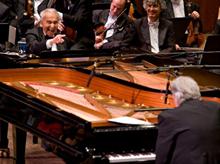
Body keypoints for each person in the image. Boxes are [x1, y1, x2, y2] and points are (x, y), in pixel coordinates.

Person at [155, 76, 220, 164]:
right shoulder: (216, 108)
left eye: (173, 94)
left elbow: (163, 154)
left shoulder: (170, 116)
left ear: (178, 95)